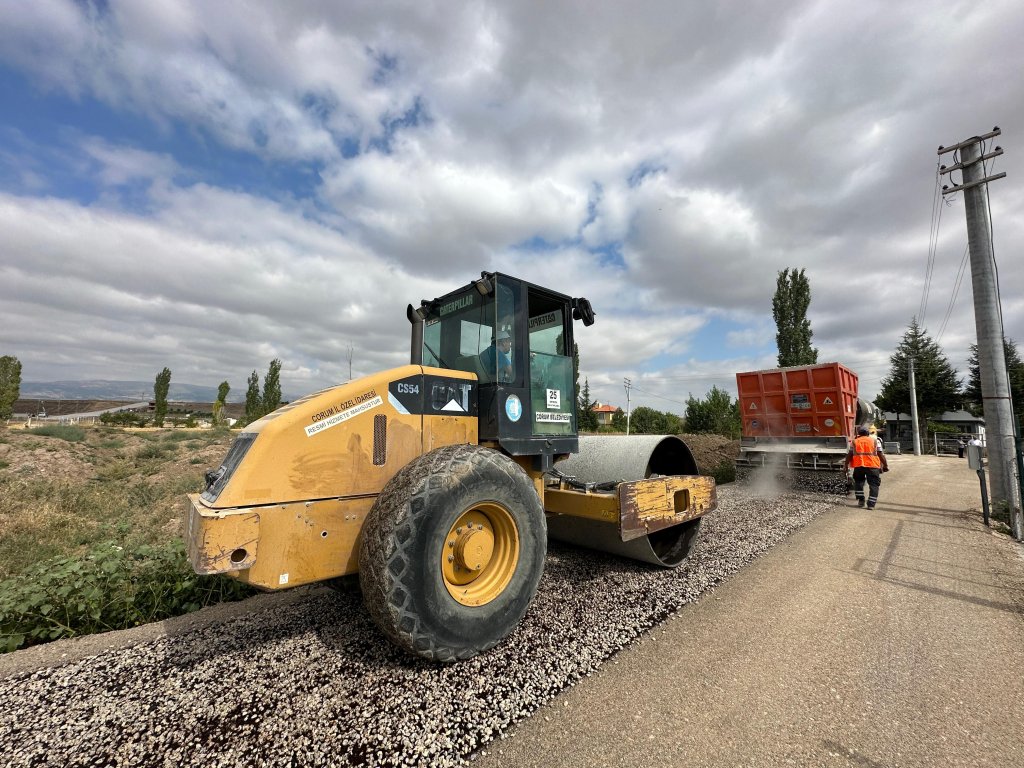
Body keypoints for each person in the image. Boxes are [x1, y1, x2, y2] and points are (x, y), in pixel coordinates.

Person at [846, 425, 889, 509]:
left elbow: (850, 454)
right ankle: (871, 504)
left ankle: (861, 501)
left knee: (858, 483)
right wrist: (885, 466)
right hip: (872, 466)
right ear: (867, 433)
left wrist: (845, 465)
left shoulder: (854, 441)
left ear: (859, 433)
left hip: (859, 466)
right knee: (874, 484)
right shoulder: (875, 441)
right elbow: (880, 454)